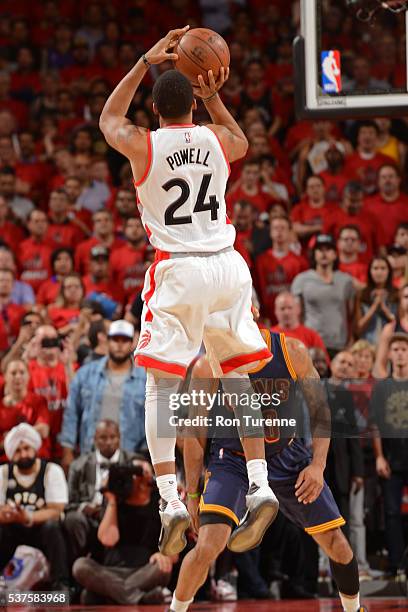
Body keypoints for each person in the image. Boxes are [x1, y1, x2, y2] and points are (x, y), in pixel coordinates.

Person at [99, 26, 278, 556]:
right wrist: (214, 95)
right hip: (227, 265)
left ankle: (171, 500)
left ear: (154, 109)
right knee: (238, 375)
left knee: (160, 387)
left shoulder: (143, 145)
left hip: (178, 269)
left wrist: (142, 61)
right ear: (193, 107)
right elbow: (243, 141)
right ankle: (261, 482)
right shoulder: (216, 140)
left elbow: (110, 118)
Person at [172, 334, 364, 612]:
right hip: (232, 462)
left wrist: (318, 465)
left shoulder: (290, 351)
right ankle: (175, 609)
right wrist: (191, 493)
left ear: (253, 312)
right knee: (207, 545)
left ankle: (354, 609)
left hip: (285, 456)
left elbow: (320, 409)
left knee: (335, 541)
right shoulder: (206, 367)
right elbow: (195, 436)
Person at [72, 454, 175, 605]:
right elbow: (108, 539)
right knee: (80, 566)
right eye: (132, 472)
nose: (136, 477)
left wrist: (163, 554)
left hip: (144, 572)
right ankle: (140, 598)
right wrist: (112, 500)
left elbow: (174, 555)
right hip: (109, 572)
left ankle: (110, 596)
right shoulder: (115, 501)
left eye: (141, 472)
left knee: (162, 568)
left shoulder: (161, 503)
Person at [60, 320, 146, 472]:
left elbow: (151, 421)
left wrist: (145, 457)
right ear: (107, 341)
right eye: (115, 339)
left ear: (132, 344)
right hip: (90, 455)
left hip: (130, 457)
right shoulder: (86, 374)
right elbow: (71, 413)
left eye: (125, 340)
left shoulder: (145, 379)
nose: (119, 345)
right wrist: (67, 450)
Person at [0, 424, 69, 590]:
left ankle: (62, 584)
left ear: (35, 448)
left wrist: (28, 517)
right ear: (10, 454)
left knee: (52, 527)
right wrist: (5, 514)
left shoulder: (52, 470)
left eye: (26, 448)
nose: (23, 454)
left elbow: (56, 510)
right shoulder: (2, 473)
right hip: (13, 527)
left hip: (42, 530)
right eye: (17, 450)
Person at [64, 419, 135, 563]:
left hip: (118, 515)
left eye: (112, 437)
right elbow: (69, 503)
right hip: (88, 518)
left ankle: (115, 567)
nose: (108, 442)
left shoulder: (132, 462)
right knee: (72, 519)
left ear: (119, 439)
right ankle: (79, 567)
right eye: (103, 438)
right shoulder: (78, 465)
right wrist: (85, 507)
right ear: (95, 440)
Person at [370, 332, 408, 576]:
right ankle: (396, 564)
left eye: (404, 349)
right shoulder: (382, 387)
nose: (400, 353)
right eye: (395, 349)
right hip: (392, 458)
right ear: (389, 354)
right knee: (392, 512)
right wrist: (379, 456)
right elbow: (374, 425)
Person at [291, 234, 355, 358]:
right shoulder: (301, 280)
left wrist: (351, 339)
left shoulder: (346, 280)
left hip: (340, 344)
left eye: (328, 249)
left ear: (335, 254)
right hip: (311, 344)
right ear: (314, 254)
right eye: (320, 250)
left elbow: (352, 315)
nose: (324, 253)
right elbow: (297, 314)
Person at [255, 216, 307, 323]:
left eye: (283, 228)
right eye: (275, 228)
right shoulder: (261, 261)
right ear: (270, 232)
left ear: (289, 232)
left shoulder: (300, 262)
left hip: (293, 319)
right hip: (267, 319)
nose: (279, 232)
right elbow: (258, 290)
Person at [0, 359, 50, 460]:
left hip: (38, 460)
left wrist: (10, 435)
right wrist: (31, 431)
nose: (18, 376)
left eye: (22, 372)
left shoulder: (39, 401)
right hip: (8, 464)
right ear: (5, 376)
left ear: (28, 375)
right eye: (13, 373)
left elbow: (44, 430)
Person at [323, 182, 382, 263]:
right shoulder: (331, 217)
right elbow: (325, 246)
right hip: (338, 267)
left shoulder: (371, 218)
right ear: (343, 198)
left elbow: (380, 247)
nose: (355, 205)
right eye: (352, 201)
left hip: (365, 266)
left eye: (358, 201)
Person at [354, 256, 398, 345]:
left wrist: (383, 307)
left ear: (389, 271)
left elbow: (399, 324)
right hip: (367, 346)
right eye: (375, 268)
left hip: (390, 346)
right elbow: (358, 329)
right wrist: (374, 306)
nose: (379, 272)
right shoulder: (362, 294)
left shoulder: (396, 295)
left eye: (383, 268)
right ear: (370, 271)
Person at [271, 291, 328, 357]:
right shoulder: (269, 336)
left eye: (290, 308)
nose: (286, 312)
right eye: (282, 308)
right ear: (275, 311)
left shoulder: (312, 336)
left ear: (298, 309)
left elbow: (323, 363)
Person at [375, 284, 408, 377]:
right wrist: (390, 386)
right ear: (400, 300)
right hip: (397, 386)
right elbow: (380, 363)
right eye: (406, 297)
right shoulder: (390, 328)